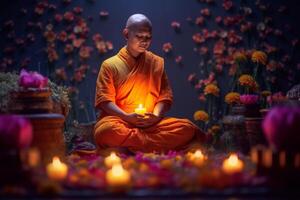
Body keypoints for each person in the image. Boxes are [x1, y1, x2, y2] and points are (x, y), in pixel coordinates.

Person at [94, 14, 205, 153]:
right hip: (120, 121)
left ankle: (130, 147)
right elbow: (104, 100)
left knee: (187, 128)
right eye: (139, 36)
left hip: (151, 124)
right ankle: (152, 146)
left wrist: (156, 116)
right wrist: (126, 117)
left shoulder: (155, 63)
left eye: (148, 37)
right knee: (105, 132)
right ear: (126, 34)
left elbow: (164, 96)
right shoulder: (110, 65)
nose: (144, 41)